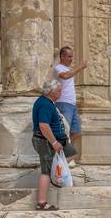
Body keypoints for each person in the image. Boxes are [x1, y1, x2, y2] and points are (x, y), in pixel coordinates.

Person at [31, 76, 75, 211]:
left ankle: (56, 175)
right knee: (45, 171)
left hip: (56, 141)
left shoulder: (49, 102)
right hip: (45, 142)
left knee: (72, 153)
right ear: (51, 91)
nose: (61, 93)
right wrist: (54, 141)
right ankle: (42, 202)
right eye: (59, 91)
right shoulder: (44, 104)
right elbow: (44, 126)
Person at [52, 44, 87, 163]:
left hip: (72, 104)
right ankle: (61, 157)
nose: (71, 59)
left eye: (72, 56)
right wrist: (81, 67)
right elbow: (65, 76)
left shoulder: (67, 69)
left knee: (76, 132)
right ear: (62, 56)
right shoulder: (58, 68)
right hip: (63, 103)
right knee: (64, 131)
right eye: (69, 56)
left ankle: (64, 154)